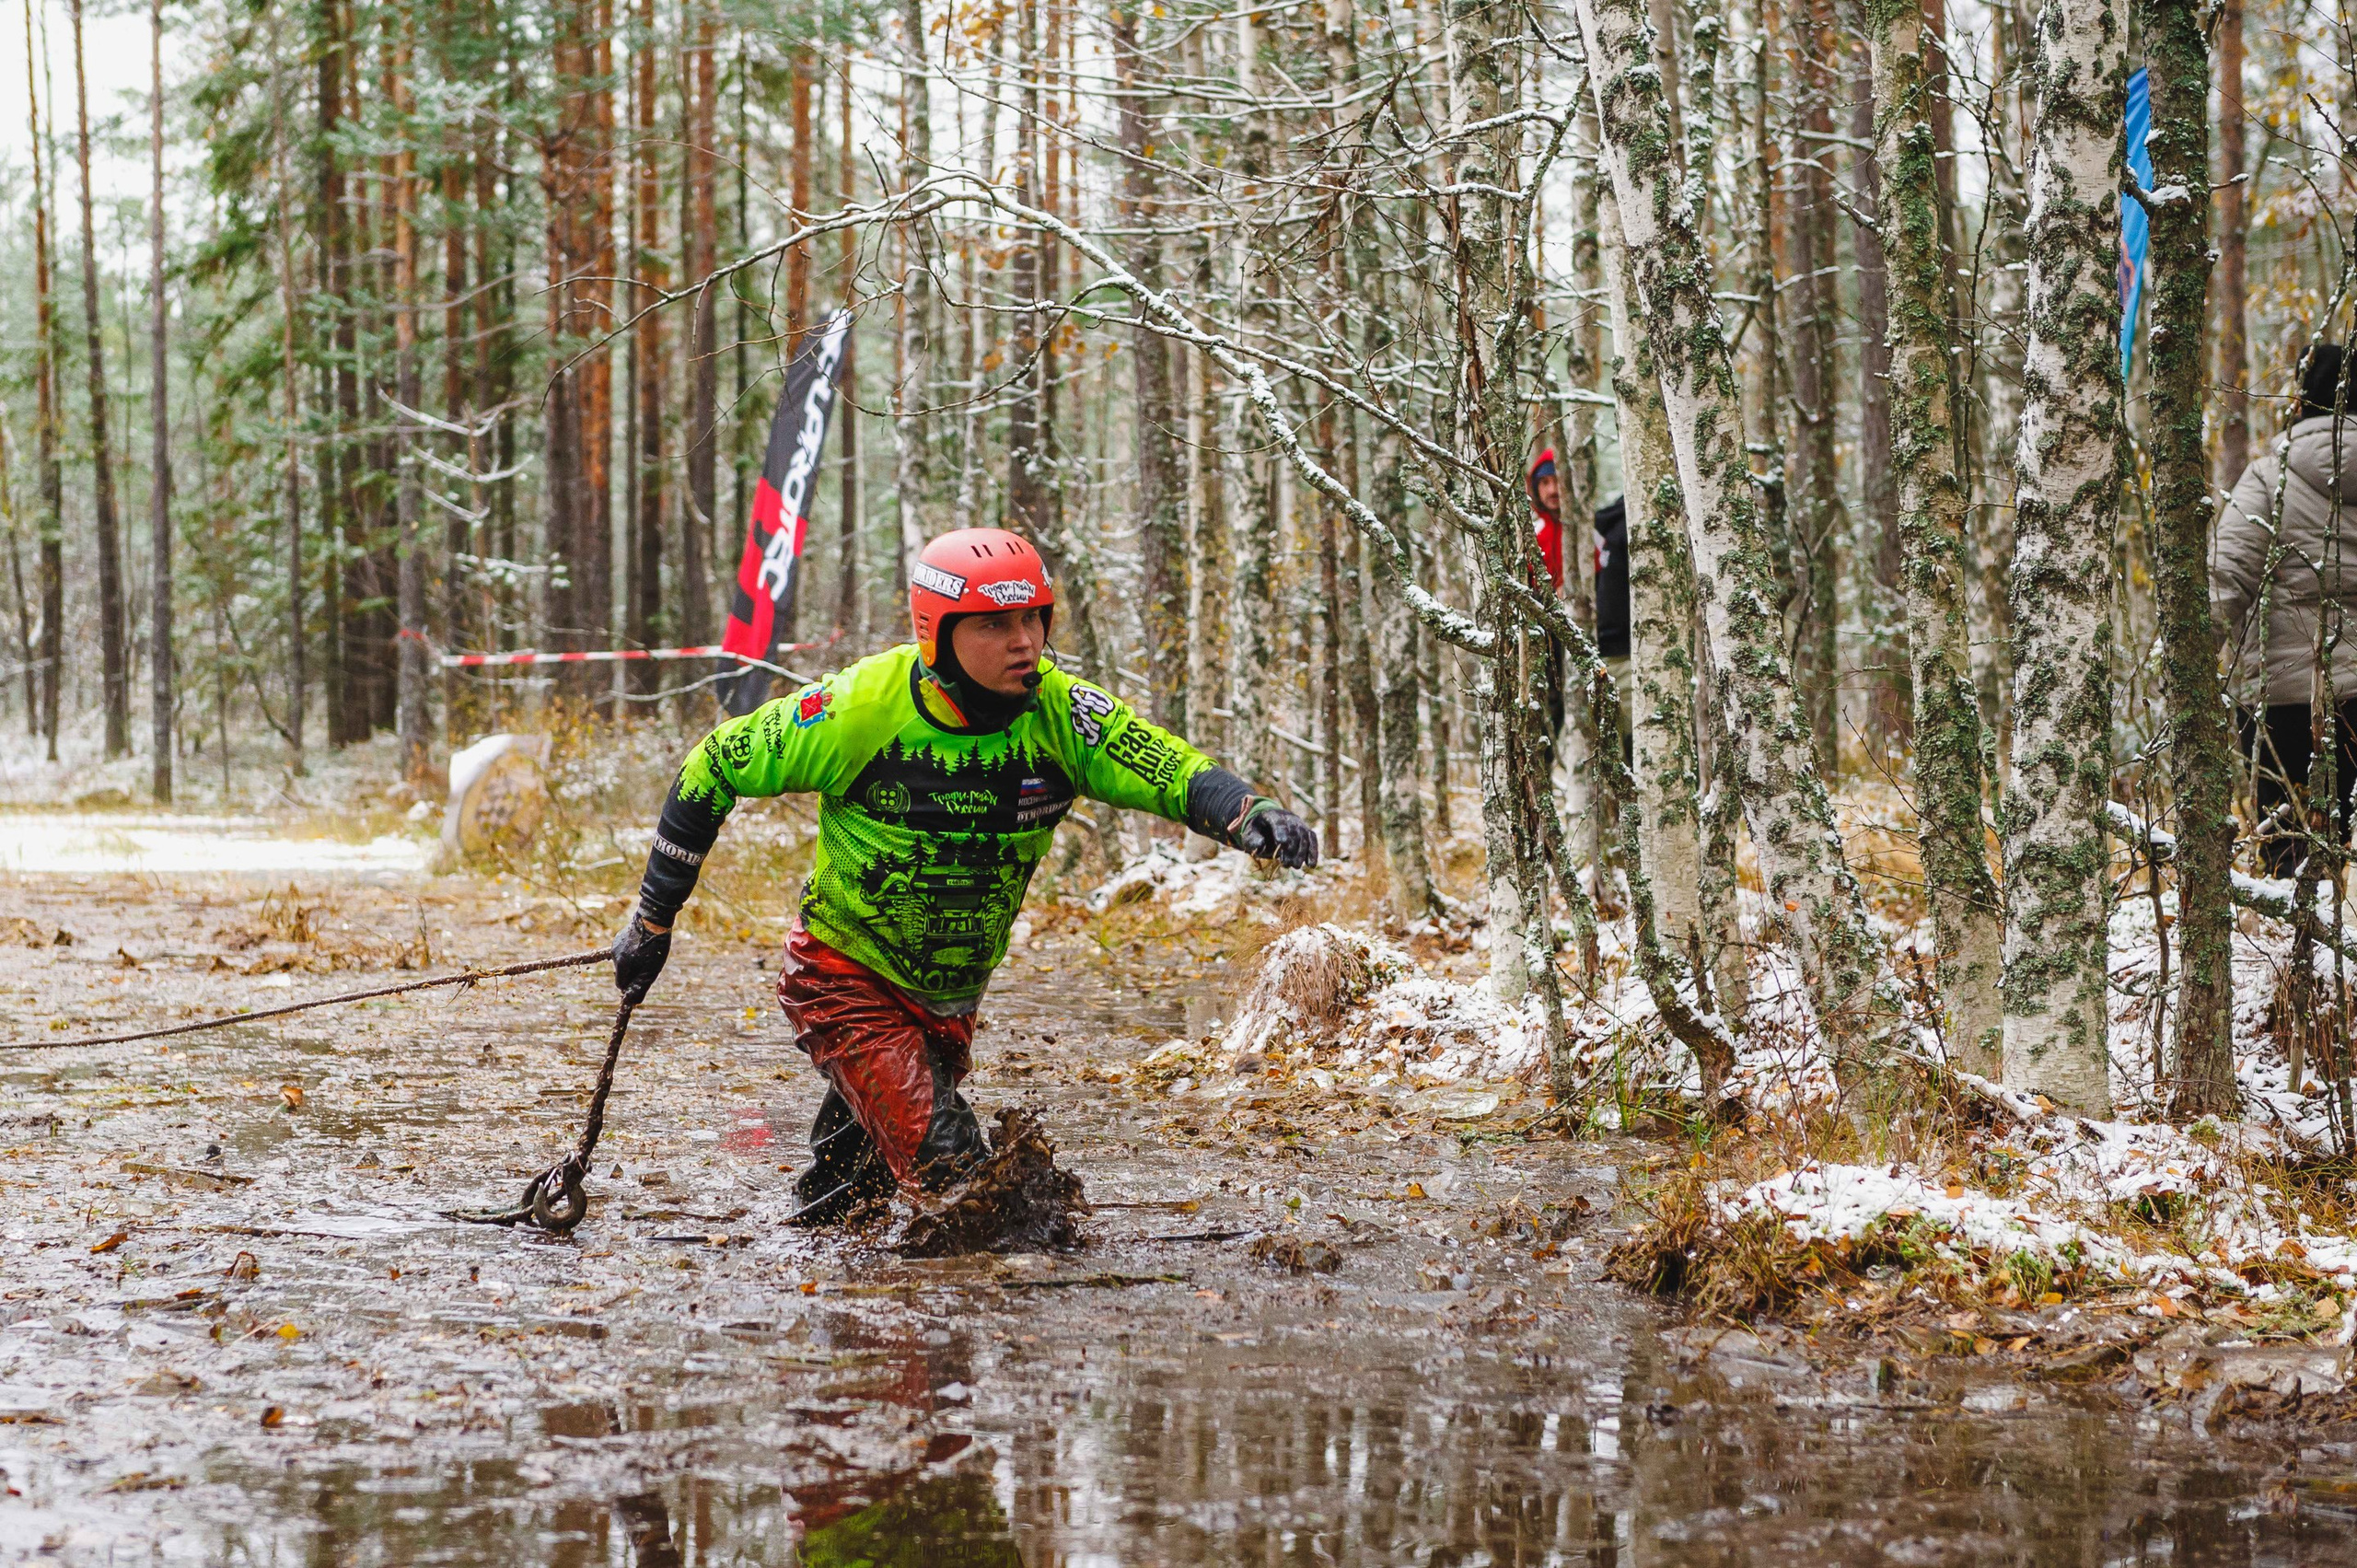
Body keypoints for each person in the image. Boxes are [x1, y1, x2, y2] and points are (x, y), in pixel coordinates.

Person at [608, 528, 1319, 1220]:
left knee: (852, 1188)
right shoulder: (859, 709)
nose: (1025, 642)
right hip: (843, 979)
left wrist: (1246, 810)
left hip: (947, 1001)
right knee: (963, 1180)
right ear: (939, 632)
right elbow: (713, 765)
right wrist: (652, 922)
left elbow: (1163, 766)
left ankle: (820, 1282)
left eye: (1035, 619)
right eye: (995, 624)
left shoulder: (1061, 713)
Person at [2212, 342, 2357, 877]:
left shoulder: (2271, 476)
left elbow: (2225, 577)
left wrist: (2182, 667)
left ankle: (2295, 960)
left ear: (2303, 398)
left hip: (2283, 705)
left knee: (2290, 856)